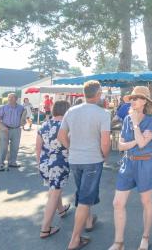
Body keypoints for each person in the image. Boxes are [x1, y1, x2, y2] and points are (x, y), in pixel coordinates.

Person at [58, 80, 111, 250]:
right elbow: (105, 142)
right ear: (98, 94)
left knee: (83, 192)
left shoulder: (71, 111)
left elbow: (61, 135)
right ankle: (75, 239)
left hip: (75, 159)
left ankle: (88, 221)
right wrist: (105, 155)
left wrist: (71, 147)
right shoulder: (103, 114)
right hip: (92, 160)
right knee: (85, 198)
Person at [110, 86, 152, 250]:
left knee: (146, 201)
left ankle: (145, 237)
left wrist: (136, 125)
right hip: (127, 162)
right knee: (117, 203)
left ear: (145, 101)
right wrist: (135, 141)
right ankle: (119, 242)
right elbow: (120, 146)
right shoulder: (126, 119)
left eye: (136, 98)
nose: (132, 101)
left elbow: (144, 143)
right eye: (131, 98)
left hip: (145, 163)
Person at [36, 100, 72, 239]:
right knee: (54, 194)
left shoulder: (45, 124)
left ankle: (61, 210)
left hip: (44, 163)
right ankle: (45, 229)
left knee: (54, 190)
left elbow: (38, 147)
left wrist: (39, 163)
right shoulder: (66, 126)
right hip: (60, 163)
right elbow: (69, 144)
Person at [0, 93, 26, 171]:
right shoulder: (3, 108)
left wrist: (24, 122)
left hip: (16, 129)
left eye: (12, 98)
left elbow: (24, 119)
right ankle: (0, 164)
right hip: (5, 129)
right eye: (9, 97)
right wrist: (2, 127)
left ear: (16, 99)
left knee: (15, 147)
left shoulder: (21, 108)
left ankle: (12, 162)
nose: (10, 99)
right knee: (3, 147)